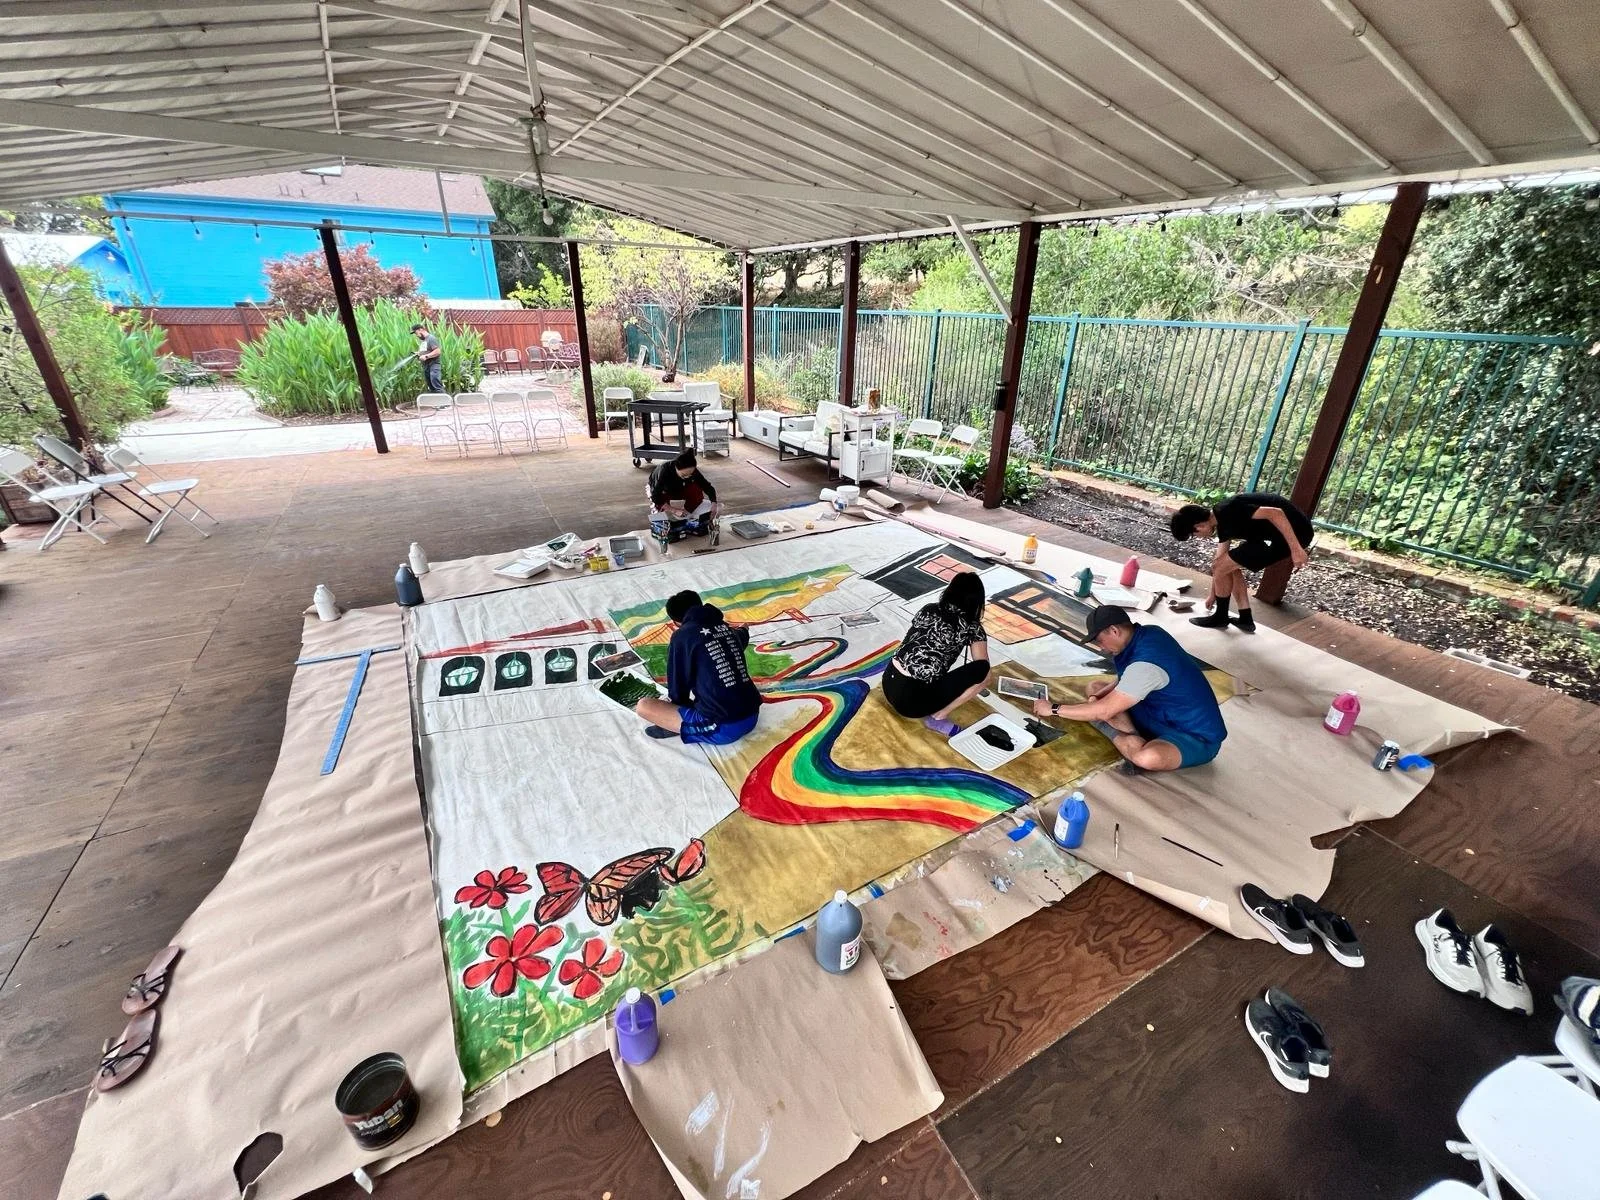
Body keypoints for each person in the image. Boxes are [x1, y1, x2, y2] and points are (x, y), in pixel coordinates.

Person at [1033, 605, 1226, 774]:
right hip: (1158, 710)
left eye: (1100, 641)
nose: (1102, 649)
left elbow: (1106, 709)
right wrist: (1101, 697)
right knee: (1095, 688)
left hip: (1193, 734)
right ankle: (1132, 734)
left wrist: (1053, 709)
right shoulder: (1150, 632)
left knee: (1147, 757)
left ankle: (1124, 736)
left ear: (1114, 631)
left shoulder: (1146, 665)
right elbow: (1128, 677)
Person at [1170, 491, 1315, 634]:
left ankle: (1221, 617)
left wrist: (1296, 549)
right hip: (1271, 535)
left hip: (1294, 534)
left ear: (1198, 526)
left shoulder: (1228, 510)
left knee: (1223, 566)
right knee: (1226, 565)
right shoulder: (1221, 520)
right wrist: (1213, 595)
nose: (1198, 537)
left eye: (1193, 535)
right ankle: (1245, 619)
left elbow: (1275, 513)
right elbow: (1218, 562)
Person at [635, 589, 762, 745]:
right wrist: (744, 629)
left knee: (644, 706)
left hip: (723, 727)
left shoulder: (682, 636)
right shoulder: (724, 628)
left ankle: (678, 727)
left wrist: (672, 709)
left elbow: (678, 686)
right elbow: (740, 637)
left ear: (676, 623)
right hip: (753, 714)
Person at [882, 570, 991, 738]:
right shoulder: (972, 626)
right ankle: (938, 717)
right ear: (977, 601)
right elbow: (983, 669)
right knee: (983, 669)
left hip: (889, 683)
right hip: (911, 704)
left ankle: (931, 702)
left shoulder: (929, 609)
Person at [648, 451, 720, 536]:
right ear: (676, 468)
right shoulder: (664, 471)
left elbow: (708, 487)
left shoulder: (692, 471)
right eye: (684, 475)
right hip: (662, 491)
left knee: (696, 491)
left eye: (690, 474)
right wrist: (674, 510)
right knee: (663, 524)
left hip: (680, 489)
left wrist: (714, 503)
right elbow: (655, 497)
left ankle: (688, 515)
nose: (687, 476)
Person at [412, 322, 444, 393]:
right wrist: (418, 354)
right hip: (426, 366)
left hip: (434, 364)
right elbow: (425, 351)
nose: (416, 335)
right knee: (430, 384)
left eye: (416, 333)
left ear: (421, 329)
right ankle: (435, 402)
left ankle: (444, 401)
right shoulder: (424, 341)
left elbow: (437, 351)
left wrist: (426, 356)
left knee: (435, 381)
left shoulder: (431, 338)